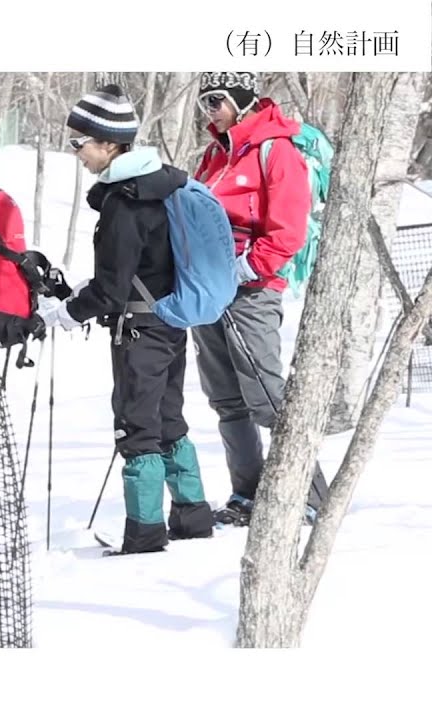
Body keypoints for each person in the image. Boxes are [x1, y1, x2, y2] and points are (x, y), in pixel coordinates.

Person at [38, 84, 213, 555]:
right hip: (170, 321)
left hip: (139, 330)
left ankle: (144, 534)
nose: (76, 152)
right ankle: (193, 517)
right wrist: (80, 294)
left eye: (81, 143)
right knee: (168, 418)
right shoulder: (161, 184)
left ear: (110, 144)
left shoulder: (126, 202)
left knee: (136, 427)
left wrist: (64, 314)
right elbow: (133, 273)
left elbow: (112, 288)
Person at [191, 72, 327, 526]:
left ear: (243, 99)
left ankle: (309, 495)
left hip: (250, 289)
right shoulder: (215, 154)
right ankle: (246, 493)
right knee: (225, 396)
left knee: (266, 394)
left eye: (217, 100)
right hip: (208, 287)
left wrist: (248, 268)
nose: (209, 109)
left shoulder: (275, 148)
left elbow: (287, 228)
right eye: (205, 100)